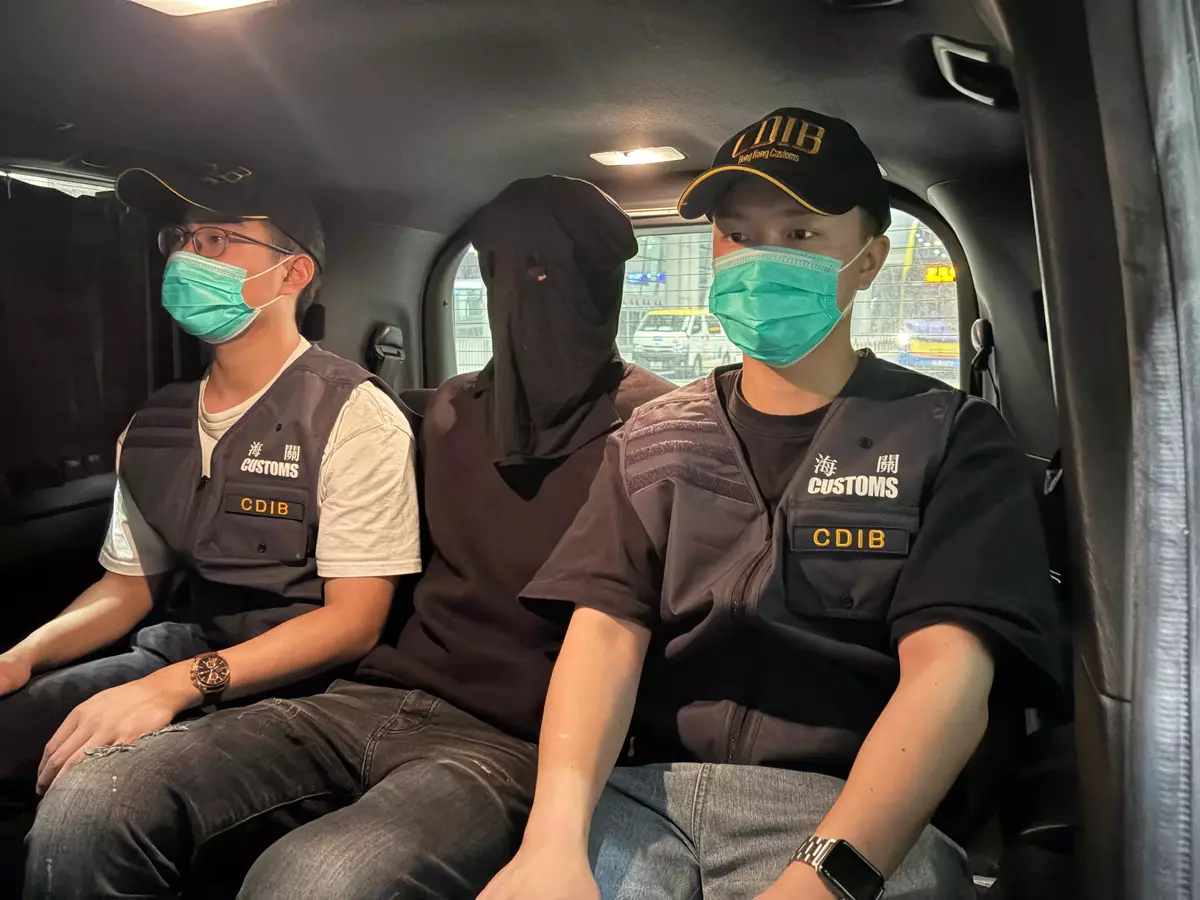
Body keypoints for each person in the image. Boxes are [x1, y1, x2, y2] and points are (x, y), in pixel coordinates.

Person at [23, 174, 673, 900]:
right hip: (371, 695)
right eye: (495, 269)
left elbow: (629, 628)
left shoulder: (657, 434)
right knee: (95, 799)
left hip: (517, 736)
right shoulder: (453, 412)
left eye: (549, 270)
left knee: (312, 879)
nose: (520, 293)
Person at [481, 109, 1064, 900]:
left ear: (869, 260)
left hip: (852, 810)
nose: (762, 260)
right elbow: (604, 633)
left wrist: (826, 877)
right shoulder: (653, 436)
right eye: (738, 234)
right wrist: (551, 841)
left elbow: (949, 676)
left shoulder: (950, 437)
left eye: (800, 233)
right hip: (648, 799)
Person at [0, 167, 422, 796]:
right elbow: (127, 587)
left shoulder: (353, 414)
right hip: (177, 649)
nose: (186, 258)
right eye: (179, 239)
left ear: (292, 273)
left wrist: (176, 686)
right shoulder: (152, 426)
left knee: (100, 794)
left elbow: (352, 623)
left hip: (307, 686)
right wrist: (23, 655)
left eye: (217, 240)